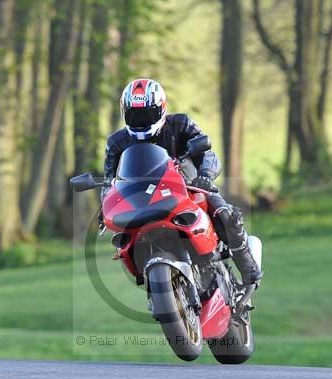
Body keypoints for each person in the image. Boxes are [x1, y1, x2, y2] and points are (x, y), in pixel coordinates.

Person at [102, 78, 262, 285]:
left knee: (225, 214)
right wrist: (105, 205)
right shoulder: (116, 142)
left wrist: (205, 175)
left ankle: (247, 265)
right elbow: (109, 181)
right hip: (140, 202)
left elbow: (207, 154)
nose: (141, 121)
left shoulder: (181, 124)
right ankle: (156, 285)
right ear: (125, 114)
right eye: (135, 115)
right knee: (125, 240)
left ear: (161, 108)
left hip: (189, 187)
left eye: (147, 114)